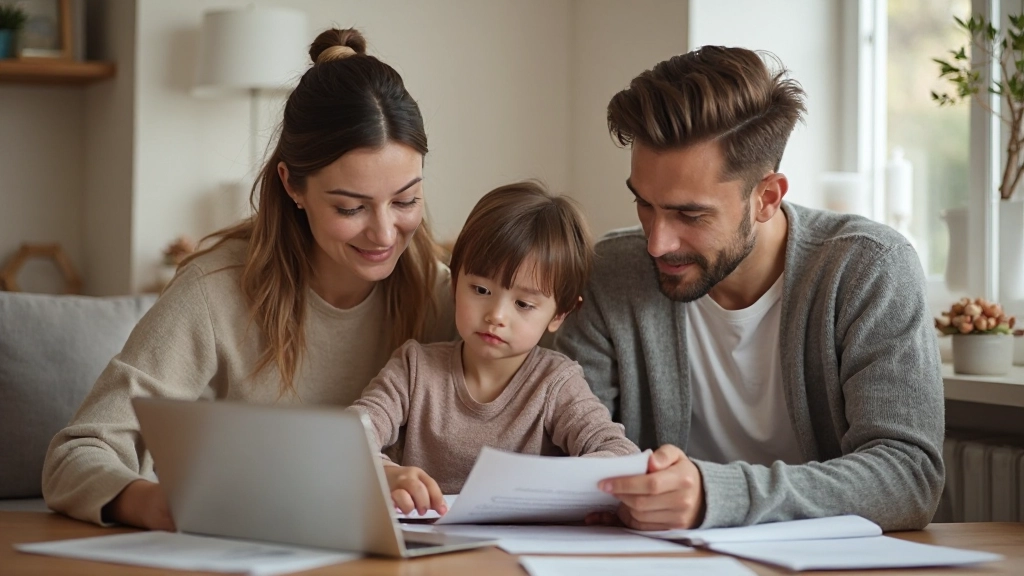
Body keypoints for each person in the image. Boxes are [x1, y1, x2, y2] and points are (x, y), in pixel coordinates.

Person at [42, 28, 457, 531]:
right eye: (351, 207)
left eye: (406, 200)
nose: (385, 232)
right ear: (292, 185)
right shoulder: (214, 289)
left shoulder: (443, 298)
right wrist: (156, 503)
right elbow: (76, 453)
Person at [555, 46, 944, 531]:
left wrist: (714, 495)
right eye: (645, 205)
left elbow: (909, 477)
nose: (656, 242)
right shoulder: (611, 274)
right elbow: (558, 444)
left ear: (766, 197)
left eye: (689, 215)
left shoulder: (868, 269)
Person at [351, 182, 639, 516]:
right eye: (480, 289)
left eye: (523, 303)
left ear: (559, 314)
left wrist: (551, 483)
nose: (496, 316)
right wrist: (386, 473)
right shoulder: (413, 368)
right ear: (454, 282)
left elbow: (621, 454)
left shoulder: (556, 383)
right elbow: (352, 435)